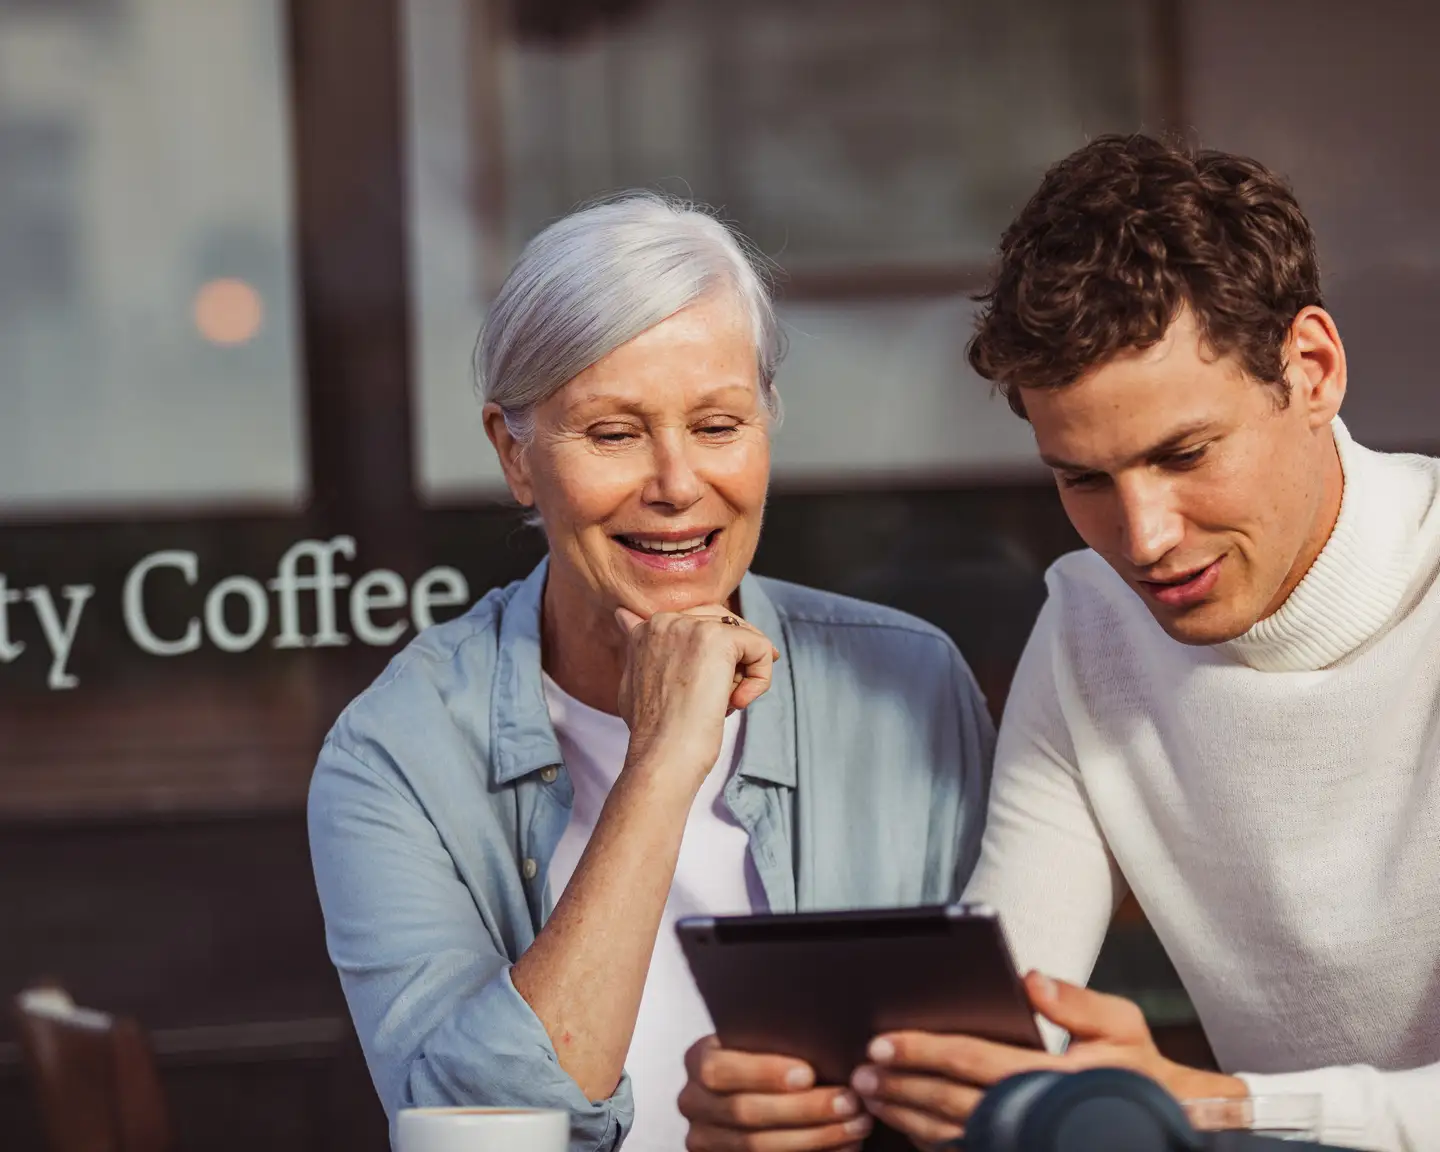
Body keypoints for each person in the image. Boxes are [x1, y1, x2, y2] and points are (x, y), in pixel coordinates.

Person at [677, 135, 1440, 1152]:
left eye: (1186, 454)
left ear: (1311, 370)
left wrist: (1218, 1102)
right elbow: (1016, 1019)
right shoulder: (1091, 623)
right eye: (1083, 479)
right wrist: (823, 1093)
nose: (1144, 539)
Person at [306, 193, 995, 1152]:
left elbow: (1001, 1089)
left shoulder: (910, 683)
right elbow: (479, 1136)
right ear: (516, 455)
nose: (676, 485)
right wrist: (662, 761)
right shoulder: (395, 756)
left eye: (718, 426)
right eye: (615, 434)